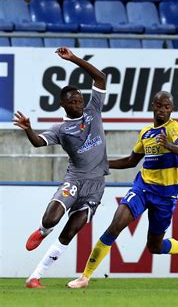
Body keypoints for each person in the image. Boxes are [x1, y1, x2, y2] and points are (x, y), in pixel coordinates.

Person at [67, 91, 178, 289]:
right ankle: (85, 277)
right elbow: (131, 161)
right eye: (159, 106)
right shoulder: (146, 132)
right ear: (153, 106)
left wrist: (170, 145)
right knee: (115, 226)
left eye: (167, 107)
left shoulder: (173, 128)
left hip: (165, 195)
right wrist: (102, 165)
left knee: (155, 246)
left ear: (171, 110)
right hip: (143, 187)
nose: (162, 110)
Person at [14, 47, 108, 289]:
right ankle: (43, 230)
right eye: (73, 101)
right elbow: (38, 143)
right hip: (75, 181)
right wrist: (28, 129)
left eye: (80, 99)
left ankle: (34, 277)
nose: (79, 103)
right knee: (52, 218)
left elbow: (100, 78)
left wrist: (74, 59)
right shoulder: (60, 129)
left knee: (70, 231)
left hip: (95, 187)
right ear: (63, 104)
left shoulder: (93, 110)